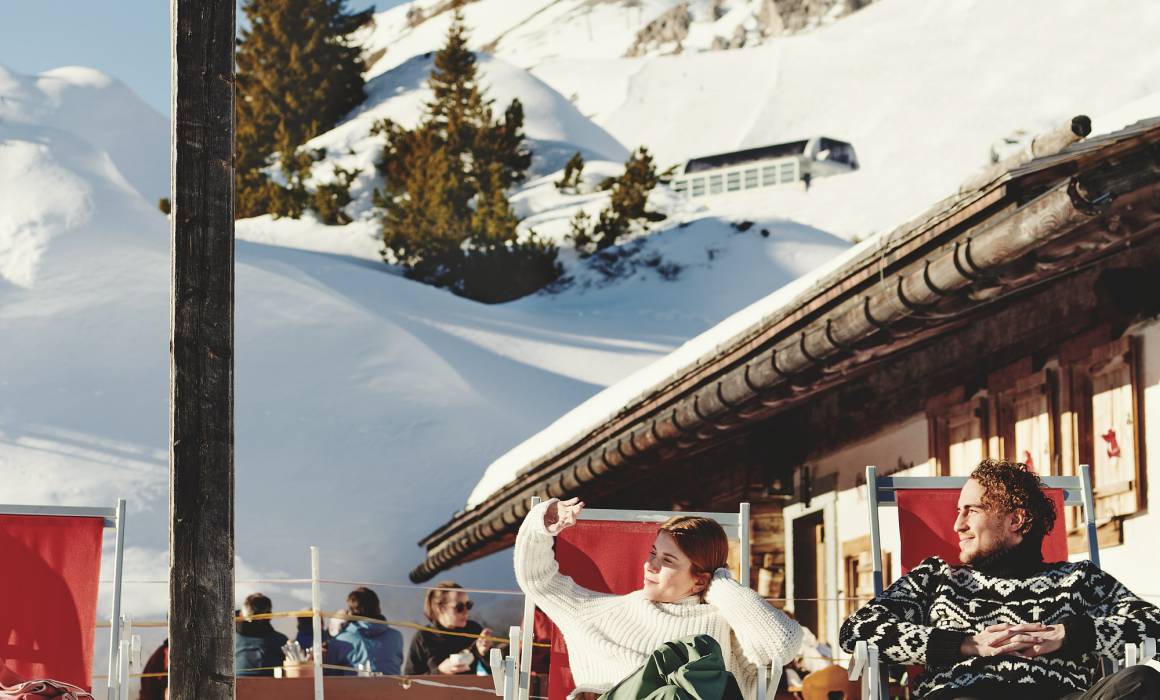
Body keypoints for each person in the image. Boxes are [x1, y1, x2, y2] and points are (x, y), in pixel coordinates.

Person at [839, 459, 1160, 699]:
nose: (957, 525)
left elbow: (1153, 626)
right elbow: (857, 630)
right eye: (957, 511)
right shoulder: (935, 579)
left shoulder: (1079, 580)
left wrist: (1068, 634)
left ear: (1016, 520)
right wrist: (966, 644)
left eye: (971, 511)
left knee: (1141, 681)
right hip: (965, 696)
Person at [514, 497, 803, 699]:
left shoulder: (728, 628)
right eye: (653, 553)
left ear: (699, 579)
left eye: (667, 560)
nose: (650, 565)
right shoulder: (600, 613)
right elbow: (539, 581)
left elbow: (781, 644)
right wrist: (540, 524)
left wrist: (719, 584)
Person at [404, 581, 493, 675]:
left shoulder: (473, 629)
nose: (466, 612)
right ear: (440, 608)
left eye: (468, 605)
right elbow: (408, 682)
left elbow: (497, 675)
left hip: (470, 689)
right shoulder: (423, 637)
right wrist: (440, 672)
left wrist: (486, 653)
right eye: (460, 607)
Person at [324, 587, 403, 675]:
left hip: (355, 688)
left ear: (351, 613)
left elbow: (329, 677)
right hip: (393, 688)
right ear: (379, 609)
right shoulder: (396, 637)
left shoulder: (340, 641)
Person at [234, 593, 289, 677]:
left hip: (236, 686)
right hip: (272, 687)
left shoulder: (230, 639)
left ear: (242, 614)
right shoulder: (280, 641)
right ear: (269, 615)